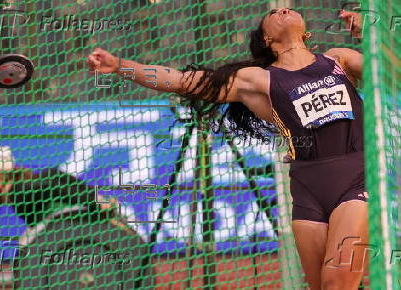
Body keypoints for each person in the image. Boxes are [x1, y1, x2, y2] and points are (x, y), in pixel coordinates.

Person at [87, 7, 368, 289]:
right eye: (271, 14)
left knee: (338, 283)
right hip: (308, 190)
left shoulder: (337, 59)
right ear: (267, 39)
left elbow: (392, 70)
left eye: (288, 8)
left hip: (353, 180)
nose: (282, 9)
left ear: (306, 30)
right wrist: (120, 65)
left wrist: (369, 37)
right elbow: (181, 81)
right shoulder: (259, 80)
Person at [0, 146, 118, 227]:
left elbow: (50, 185)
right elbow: (53, 178)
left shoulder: (20, 195)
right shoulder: (27, 187)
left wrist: (94, 201)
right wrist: (96, 199)